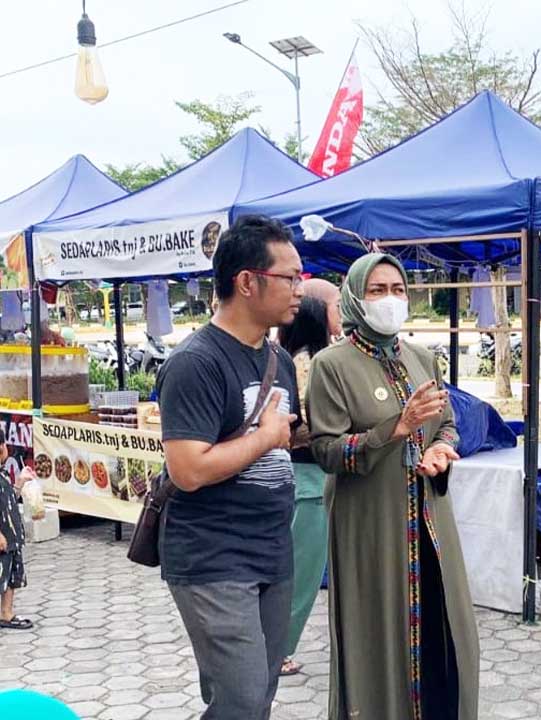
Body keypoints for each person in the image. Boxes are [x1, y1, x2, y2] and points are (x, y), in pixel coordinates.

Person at [307, 253, 479, 720]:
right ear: (355, 298)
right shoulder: (332, 366)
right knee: (378, 636)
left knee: (446, 634)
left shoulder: (422, 358)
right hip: (369, 526)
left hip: (429, 521)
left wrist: (441, 448)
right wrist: (394, 429)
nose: (390, 300)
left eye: (398, 290)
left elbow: (446, 424)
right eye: (377, 290)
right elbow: (325, 450)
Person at [156, 214, 302, 720]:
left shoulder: (276, 360)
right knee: (239, 700)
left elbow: (288, 438)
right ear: (247, 281)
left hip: (272, 549)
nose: (298, 290)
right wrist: (264, 439)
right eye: (289, 277)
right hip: (214, 556)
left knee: (257, 695)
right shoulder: (196, 362)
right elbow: (188, 469)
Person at [276, 295, 332, 676]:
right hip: (312, 477)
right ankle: (279, 649)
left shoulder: (282, 359)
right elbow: (308, 425)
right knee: (303, 574)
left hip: (299, 477)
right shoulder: (313, 365)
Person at [0, 443, 33, 631]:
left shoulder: (3, 473)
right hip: (3, 536)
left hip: (11, 537)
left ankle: (6, 612)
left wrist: (20, 482)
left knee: (10, 575)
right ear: (3, 448)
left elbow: (9, 499)